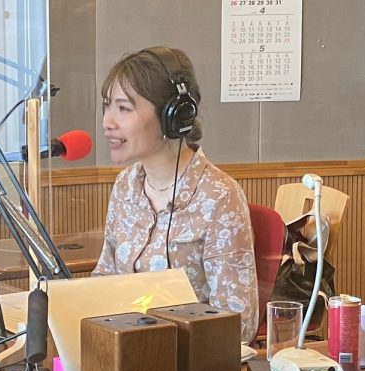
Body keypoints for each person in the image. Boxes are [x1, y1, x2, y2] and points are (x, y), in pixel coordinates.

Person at [93, 46, 258, 342]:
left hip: (191, 362)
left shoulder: (219, 196)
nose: (108, 122)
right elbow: (104, 280)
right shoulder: (125, 185)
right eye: (107, 106)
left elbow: (239, 324)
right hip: (125, 351)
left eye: (123, 109)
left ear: (173, 116)